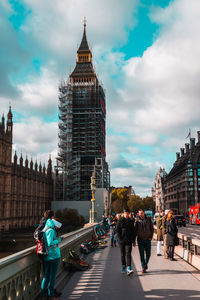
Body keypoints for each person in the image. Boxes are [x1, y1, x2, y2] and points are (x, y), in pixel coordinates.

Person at [41, 211, 63, 300]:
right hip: (52, 256)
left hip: (48, 256)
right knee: (51, 277)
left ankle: (43, 295)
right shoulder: (50, 230)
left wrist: (56, 238)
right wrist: (59, 240)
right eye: (58, 227)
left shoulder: (47, 227)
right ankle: (50, 296)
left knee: (46, 276)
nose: (57, 229)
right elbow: (50, 243)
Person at [116, 208, 135, 276]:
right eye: (125, 213)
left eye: (127, 213)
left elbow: (133, 231)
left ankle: (129, 268)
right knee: (122, 254)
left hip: (128, 240)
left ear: (129, 213)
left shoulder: (131, 221)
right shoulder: (120, 220)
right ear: (123, 213)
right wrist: (119, 239)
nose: (126, 214)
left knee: (128, 254)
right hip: (121, 240)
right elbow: (117, 230)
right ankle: (123, 266)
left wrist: (133, 240)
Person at [135, 209, 154, 273]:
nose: (140, 214)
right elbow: (134, 230)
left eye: (141, 213)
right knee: (142, 254)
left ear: (144, 213)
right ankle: (143, 267)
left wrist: (151, 237)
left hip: (148, 239)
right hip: (140, 239)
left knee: (148, 254)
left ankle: (145, 264)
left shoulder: (148, 219)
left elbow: (152, 228)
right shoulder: (137, 220)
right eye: (139, 213)